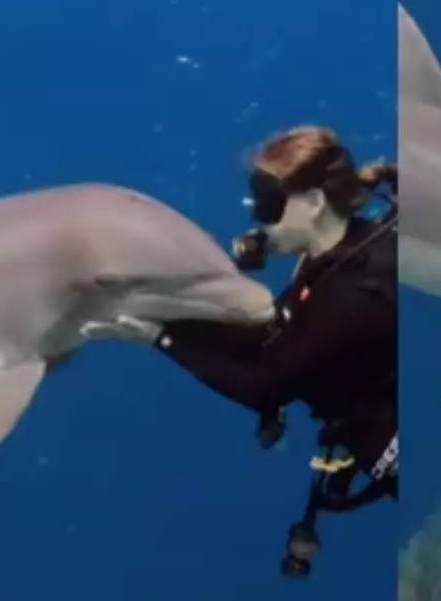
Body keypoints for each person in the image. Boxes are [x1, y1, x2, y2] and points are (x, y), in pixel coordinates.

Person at [102, 125, 397, 578]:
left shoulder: (351, 293)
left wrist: (158, 339)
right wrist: (169, 317)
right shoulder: (331, 252)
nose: (262, 218)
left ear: (315, 202)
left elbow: (263, 386)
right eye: (259, 202)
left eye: (272, 204)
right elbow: (271, 332)